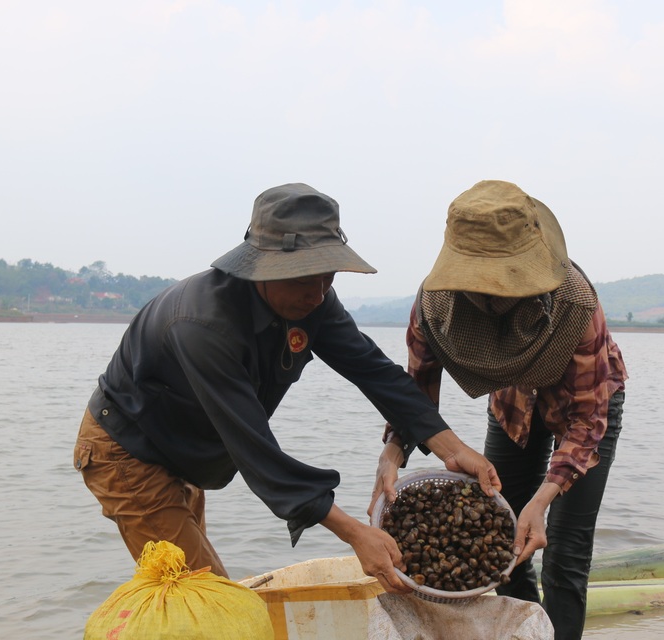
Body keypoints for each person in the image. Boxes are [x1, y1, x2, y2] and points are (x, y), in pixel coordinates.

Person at [73, 182, 500, 595]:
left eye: (327, 276)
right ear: (259, 266)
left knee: (191, 586)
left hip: (185, 451)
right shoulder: (202, 327)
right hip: (129, 452)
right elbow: (258, 452)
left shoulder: (314, 300)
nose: (316, 294)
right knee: (206, 600)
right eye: (300, 279)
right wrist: (354, 533)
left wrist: (451, 447)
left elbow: (375, 371)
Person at [370, 180, 627, 638]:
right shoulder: (436, 306)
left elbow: (589, 419)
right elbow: (415, 396)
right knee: (509, 549)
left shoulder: (575, 305)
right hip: (511, 405)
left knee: (565, 553)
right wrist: (392, 452)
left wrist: (543, 501)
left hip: (585, 412)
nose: (494, 296)